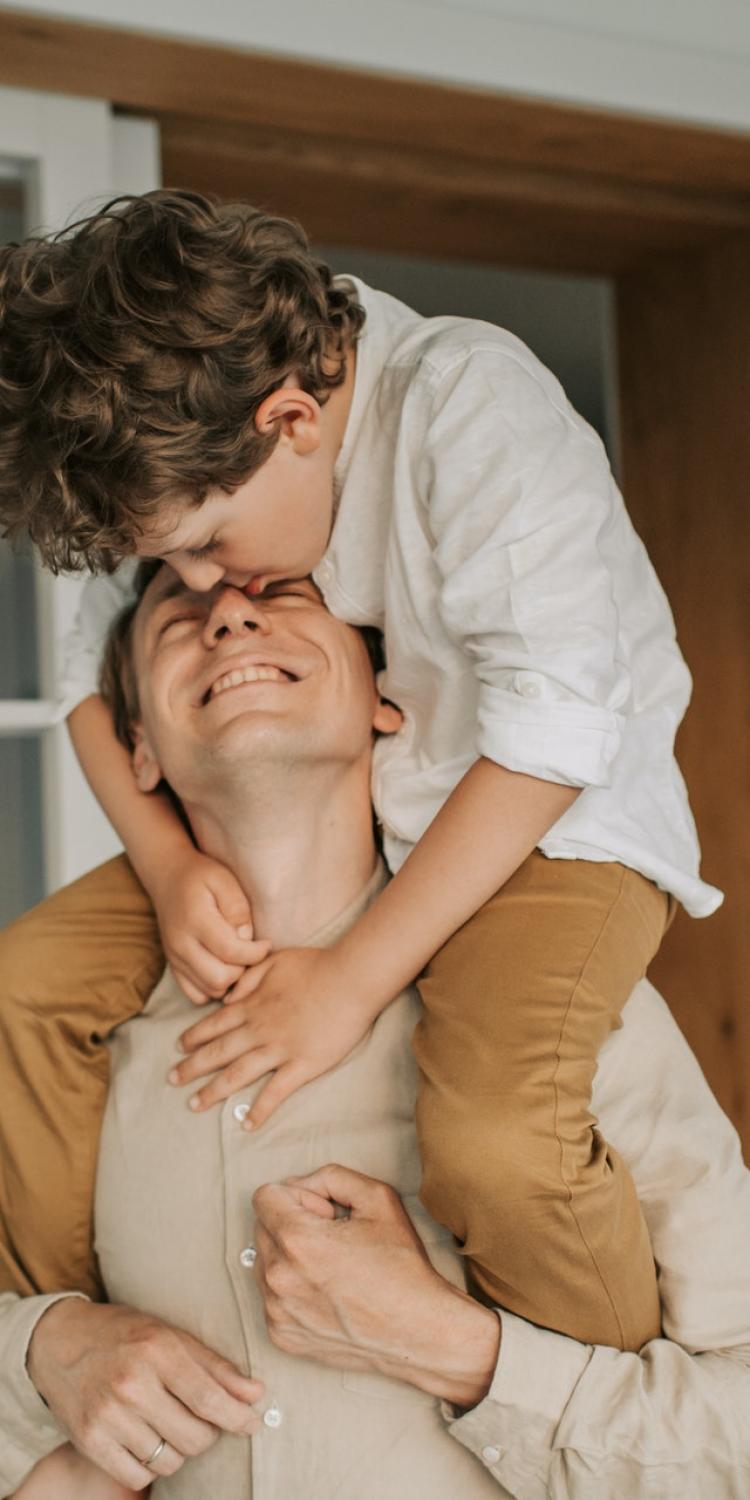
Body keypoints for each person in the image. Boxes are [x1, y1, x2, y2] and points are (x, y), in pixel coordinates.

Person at [0, 191, 723, 1353]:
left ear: (293, 418)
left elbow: (557, 735)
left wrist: (345, 984)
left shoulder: (470, 408)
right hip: (370, 817)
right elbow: (91, 677)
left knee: (501, 1138)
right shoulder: (183, 442)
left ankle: (582, 1412)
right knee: (26, 984)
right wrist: (170, 863)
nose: (194, 586)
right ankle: (54, 1343)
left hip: (558, 831)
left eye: (202, 545)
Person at [1, 567, 748, 1500]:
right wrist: (43, 1352)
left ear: (388, 703)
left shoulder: (559, 1020)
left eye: (283, 593)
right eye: (176, 621)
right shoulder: (80, 1055)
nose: (228, 613)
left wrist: (455, 1350)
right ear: (139, 750)